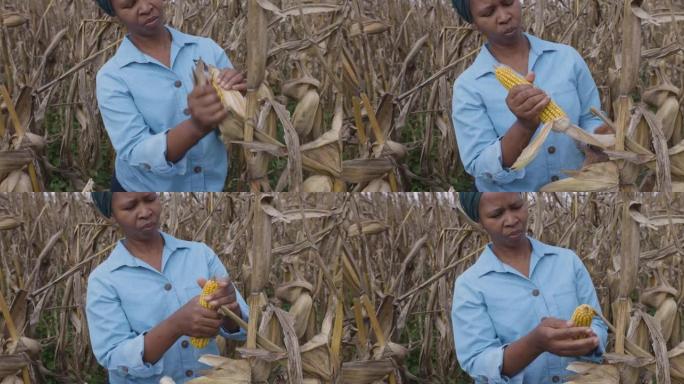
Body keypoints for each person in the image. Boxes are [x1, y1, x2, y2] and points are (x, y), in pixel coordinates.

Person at [86, 192, 249, 383]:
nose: (145, 212)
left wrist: (231, 307)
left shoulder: (200, 255)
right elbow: (115, 358)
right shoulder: (104, 280)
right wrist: (175, 326)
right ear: (111, 215)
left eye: (150, 199)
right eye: (130, 207)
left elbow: (242, 330)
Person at [451, 0, 612, 191]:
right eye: (488, 13)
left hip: (580, 188)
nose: (504, 17)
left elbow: (589, 117)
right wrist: (524, 125)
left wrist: (600, 139)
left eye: (508, 3)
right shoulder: (468, 86)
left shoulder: (567, 58)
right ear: (474, 23)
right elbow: (480, 165)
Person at [451, 192, 608, 383]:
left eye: (517, 206)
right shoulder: (470, 285)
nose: (511, 220)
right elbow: (478, 362)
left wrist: (590, 342)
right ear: (479, 221)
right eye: (496, 215)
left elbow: (598, 323)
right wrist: (534, 344)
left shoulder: (567, 261)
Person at [93, 0, 246, 191]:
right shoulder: (112, 77)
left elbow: (239, 122)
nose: (146, 7)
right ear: (114, 13)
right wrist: (196, 127)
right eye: (129, 5)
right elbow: (136, 151)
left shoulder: (207, 49)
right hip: (143, 190)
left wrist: (240, 95)